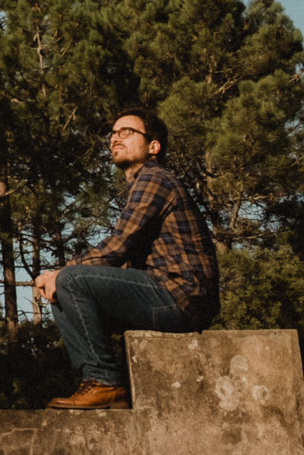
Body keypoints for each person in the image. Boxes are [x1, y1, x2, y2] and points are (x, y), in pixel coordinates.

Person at [34, 107, 220, 409]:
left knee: (69, 280)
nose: (114, 139)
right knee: (62, 294)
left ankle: (105, 382)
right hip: (166, 295)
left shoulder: (156, 178)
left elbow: (116, 247)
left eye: (127, 132)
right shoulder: (142, 185)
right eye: (113, 134)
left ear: (153, 146)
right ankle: (100, 386)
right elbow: (122, 259)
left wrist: (60, 273)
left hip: (180, 297)